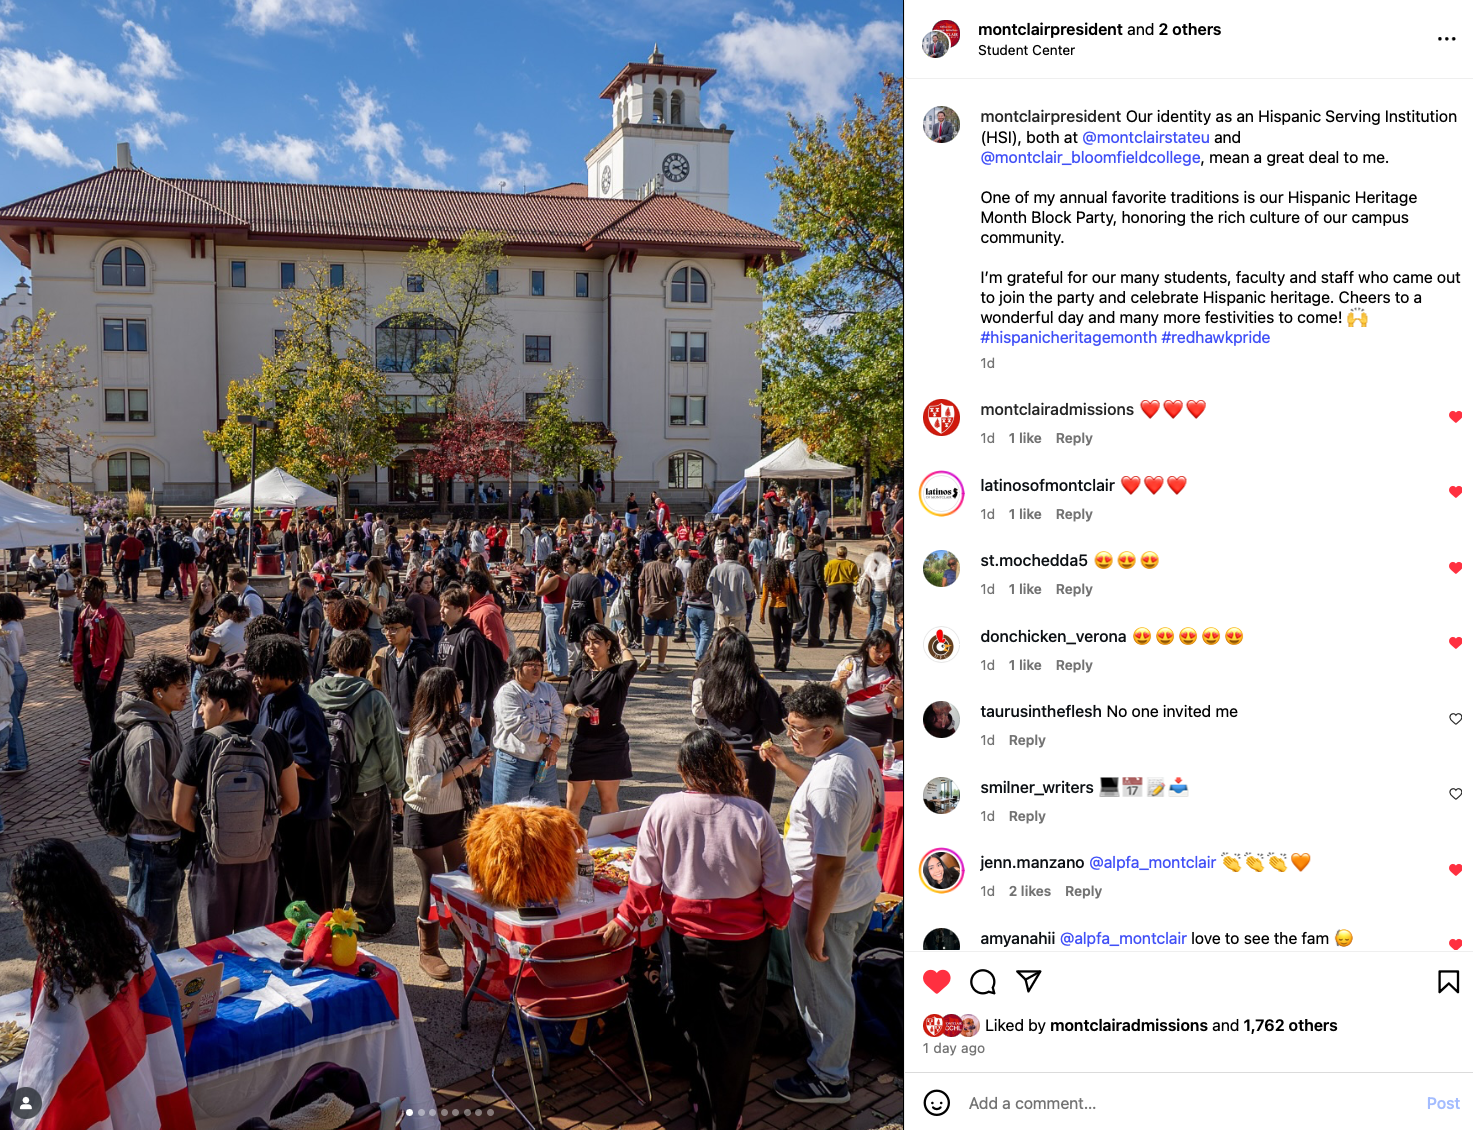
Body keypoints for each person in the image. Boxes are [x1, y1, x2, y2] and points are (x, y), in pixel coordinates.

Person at [598, 728, 793, 1130]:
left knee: (695, 1022)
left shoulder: (663, 808)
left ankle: (703, 1098)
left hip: (685, 939)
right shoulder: (753, 815)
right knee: (735, 1031)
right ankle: (721, 1116)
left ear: (684, 769)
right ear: (727, 764)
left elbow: (644, 880)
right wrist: (777, 919)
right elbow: (778, 887)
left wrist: (626, 919)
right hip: (743, 943)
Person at [13, 839, 194, 1129]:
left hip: (108, 1101)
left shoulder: (63, 973)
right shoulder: (126, 929)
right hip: (141, 1083)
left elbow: (50, 1071)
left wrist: (23, 1110)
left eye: (20, 903)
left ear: (40, 906)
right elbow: (166, 1003)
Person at [759, 682, 883, 1105]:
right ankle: (829, 1052)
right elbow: (861, 825)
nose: (789, 736)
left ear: (826, 731)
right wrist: (784, 763)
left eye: (796, 729)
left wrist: (815, 926)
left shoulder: (832, 781)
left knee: (824, 990)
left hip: (827, 903)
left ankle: (830, 1076)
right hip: (856, 891)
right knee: (834, 983)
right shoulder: (855, 751)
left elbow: (831, 864)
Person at [172, 668, 300, 939]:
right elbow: (291, 801)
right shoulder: (274, 740)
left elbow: (179, 813)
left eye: (203, 703)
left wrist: (214, 831)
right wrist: (260, 827)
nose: (199, 711)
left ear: (222, 705)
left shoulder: (198, 747)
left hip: (212, 858)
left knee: (213, 948)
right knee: (255, 945)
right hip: (261, 857)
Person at [309, 630, 404, 936]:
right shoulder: (373, 698)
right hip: (367, 787)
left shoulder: (315, 691)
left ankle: (329, 913)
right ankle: (370, 917)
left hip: (326, 787)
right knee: (372, 855)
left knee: (331, 856)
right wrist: (397, 790)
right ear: (364, 661)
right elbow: (389, 749)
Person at [404, 667, 490, 979]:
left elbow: (467, 769)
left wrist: (477, 763)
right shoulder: (425, 736)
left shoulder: (458, 724)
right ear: (444, 693)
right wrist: (463, 769)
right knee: (434, 884)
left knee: (460, 878)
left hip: (457, 812)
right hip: (426, 816)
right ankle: (428, 950)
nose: (462, 690)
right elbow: (424, 785)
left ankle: (460, 929)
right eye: (458, 685)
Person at [248, 634, 334, 918]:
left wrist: (270, 764)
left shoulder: (302, 711)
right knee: (279, 899)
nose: (255, 679)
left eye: (262, 673)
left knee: (308, 900)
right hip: (280, 815)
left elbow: (313, 768)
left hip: (306, 819)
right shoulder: (268, 702)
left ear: (283, 672)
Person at [115, 654, 191, 952]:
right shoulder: (147, 736)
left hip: (165, 842)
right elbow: (150, 800)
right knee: (150, 941)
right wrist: (188, 813)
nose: (186, 693)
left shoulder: (164, 722)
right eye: (180, 687)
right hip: (152, 847)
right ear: (158, 692)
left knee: (165, 935)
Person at [690, 628, 783, 810]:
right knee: (755, 814)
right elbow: (776, 725)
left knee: (722, 813)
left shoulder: (709, 683)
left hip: (717, 755)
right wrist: (784, 700)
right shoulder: (756, 685)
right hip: (753, 758)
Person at [562, 624, 638, 817]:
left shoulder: (618, 674)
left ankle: (609, 836)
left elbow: (631, 664)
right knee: (573, 803)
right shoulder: (581, 673)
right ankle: (570, 837)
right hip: (582, 742)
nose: (591, 647)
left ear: (608, 644)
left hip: (611, 743)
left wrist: (622, 644)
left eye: (597, 642)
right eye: (587, 643)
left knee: (608, 800)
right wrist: (576, 711)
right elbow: (567, 704)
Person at [489, 646, 564, 805]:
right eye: (530, 664)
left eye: (539, 665)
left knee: (548, 815)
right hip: (514, 764)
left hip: (545, 762)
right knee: (511, 816)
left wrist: (551, 749)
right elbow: (520, 727)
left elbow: (559, 717)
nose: (536, 668)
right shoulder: (508, 693)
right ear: (515, 667)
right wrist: (549, 741)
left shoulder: (548, 689)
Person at [438, 586, 496, 754]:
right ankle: (484, 768)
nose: (441, 610)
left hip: (466, 704)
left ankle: (481, 769)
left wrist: (476, 710)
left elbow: (480, 675)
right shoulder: (446, 633)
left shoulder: (470, 636)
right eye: (441, 606)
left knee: (463, 747)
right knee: (473, 744)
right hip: (449, 702)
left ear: (460, 610)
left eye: (446, 607)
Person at [75, 576, 127, 757]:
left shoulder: (111, 615)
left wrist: (105, 676)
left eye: (87, 588)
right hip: (89, 667)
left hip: (106, 667)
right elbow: (79, 645)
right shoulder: (84, 613)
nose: (83, 591)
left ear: (98, 591)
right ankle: (110, 745)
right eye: (83, 588)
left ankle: (97, 753)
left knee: (104, 710)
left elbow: (114, 648)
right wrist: (78, 674)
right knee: (92, 708)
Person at [832, 628, 903, 748]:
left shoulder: (893, 671)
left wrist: (899, 695)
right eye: (878, 651)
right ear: (867, 647)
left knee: (878, 758)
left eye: (887, 652)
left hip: (881, 724)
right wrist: (840, 680)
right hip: (854, 721)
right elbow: (833, 689)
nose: (881, 656)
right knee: (852, 755)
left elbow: (897, 705)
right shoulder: (851, 662)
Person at [380, 603, 435, 737]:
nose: (388, 633)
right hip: (396, 728)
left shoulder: (420, 657)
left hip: (418, 729)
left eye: (394, 629)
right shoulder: (389, 654)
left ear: (408, 630)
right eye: (386, 629)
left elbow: (430, 695)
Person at [637, 542, 683, 673]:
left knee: (648, 633)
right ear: (670, 554)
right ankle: (661, 664)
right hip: (667, 608)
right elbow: (680, 592)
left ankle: (647, 655)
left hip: (650, 606)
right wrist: (672, 592)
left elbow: (641, 588)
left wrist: (640, 604)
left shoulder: (647, 567)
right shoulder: (674, 570)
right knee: (663, 636)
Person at [0, 592, 28, 773]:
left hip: (11, 672)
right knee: (14, 718)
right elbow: (23, 650)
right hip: (18, 672)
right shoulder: (16, 625)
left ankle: (17, 761)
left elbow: (14, 655)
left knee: (11, 719)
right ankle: (20, 758)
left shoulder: (9, 628)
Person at [757, 559, 798, 673]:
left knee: (776, 637)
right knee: (787, 636)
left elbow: (764, 598)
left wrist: (761, 614)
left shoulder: (768, 580)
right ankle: (784, 658)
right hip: (786, 609)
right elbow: (795, 591)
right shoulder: (788, 578)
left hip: (773, 609)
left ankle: (777, 660)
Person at [562, 549, 604, 664]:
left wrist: (564, 623)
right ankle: (585, 668)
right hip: (588, 617)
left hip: (574, 616)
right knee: (589, 648)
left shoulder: (573, 579)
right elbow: (597, 607)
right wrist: (601, 626)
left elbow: (567, 604)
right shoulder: (594, 581)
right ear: (593, 562)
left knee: (578, 647)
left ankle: (579, 668)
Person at [535, 551, 570, 678]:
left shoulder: (555, 579)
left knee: (557, 642)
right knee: (550, 643)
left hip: (554, 611)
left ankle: (561, 672)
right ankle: (553, 667)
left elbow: (538, 592)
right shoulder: (566, 576)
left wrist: (541, 576)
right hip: (555, 610)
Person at [708, 544, 755, 635]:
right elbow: (749, 589)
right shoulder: (743, 570)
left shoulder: (716, 569)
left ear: (725, 555)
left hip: (721, 608)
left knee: (723, 637)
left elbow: (709, 587)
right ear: (737, 555)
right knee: (736, 637)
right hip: (738, 609)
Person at [791, 534, 828, 648]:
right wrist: (824, 590)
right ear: (817, 545)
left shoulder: (800, 555)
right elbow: (819, 576)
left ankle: (795, 635)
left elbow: (796, 574)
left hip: (803, 587)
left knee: (805, 613)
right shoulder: (817, 557)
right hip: (814, 589)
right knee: (814, 615)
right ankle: (813, 639)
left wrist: (797, 590)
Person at [823, 544, 859, 642]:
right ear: (846, 554)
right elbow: (855, 579)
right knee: (847, 612)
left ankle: (832, 630)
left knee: (833, 611)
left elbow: (825, 577)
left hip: (833, 588)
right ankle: (846, 633)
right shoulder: (851, 564)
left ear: (837, 553)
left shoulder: (830, 563)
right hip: (846, 588)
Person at [683, 557, 716, 663]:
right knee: (706, 635)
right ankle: (699, 658)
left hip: (691, 609)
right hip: (706, 609)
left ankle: (700, 658)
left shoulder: (690, 580)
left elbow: (685, 596)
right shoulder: (710, 580)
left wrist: (681, 610)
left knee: (697, 636)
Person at [861, 542, 893, 635]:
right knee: (879, 620)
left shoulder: (872, 563)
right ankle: (874, 639)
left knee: (872, 618)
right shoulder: (886, 566)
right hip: (881, 593)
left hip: (872, 592)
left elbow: (865, 575)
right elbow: (888, 583)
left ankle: (868, 638)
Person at [405, 570, 443, 647]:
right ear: (419, 584)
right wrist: (426, 638)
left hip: (438, 630)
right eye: (425, 583)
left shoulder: (431, 595)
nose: (429, 585)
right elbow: (420, 619)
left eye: (430, 582)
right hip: (427, 631)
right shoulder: (416, 597)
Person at [362, 556, 392, 652]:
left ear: (375, 571)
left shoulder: (382, 587)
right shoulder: (367, 585)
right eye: (365, 571)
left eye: (369, 571)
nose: (366, 573)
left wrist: (366, 603)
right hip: (367, 627)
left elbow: (382, 611)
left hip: (378, 629)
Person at [56, 557, 83, 665]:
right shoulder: (63, 577)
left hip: (77, 609)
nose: (79, 573)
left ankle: (71, 654)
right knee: (66, 634)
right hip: (66, 608)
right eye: (77, 570)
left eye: (80, 571)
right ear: (72, 568)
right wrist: (75, 591)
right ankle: (63, 655)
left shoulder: (79, 577)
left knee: (76, 633)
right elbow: (60, 593)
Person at [117, 526, 144, 602]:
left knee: (124, 578)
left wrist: (117, 561)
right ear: (134, 533)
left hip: (127, 561)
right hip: (136, 562)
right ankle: (134, 597)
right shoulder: (139, 542)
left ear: (127, 533)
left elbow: (120, 553)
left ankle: (126, 594)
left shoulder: (124, 542)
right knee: (134, 580)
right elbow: (143, 553)